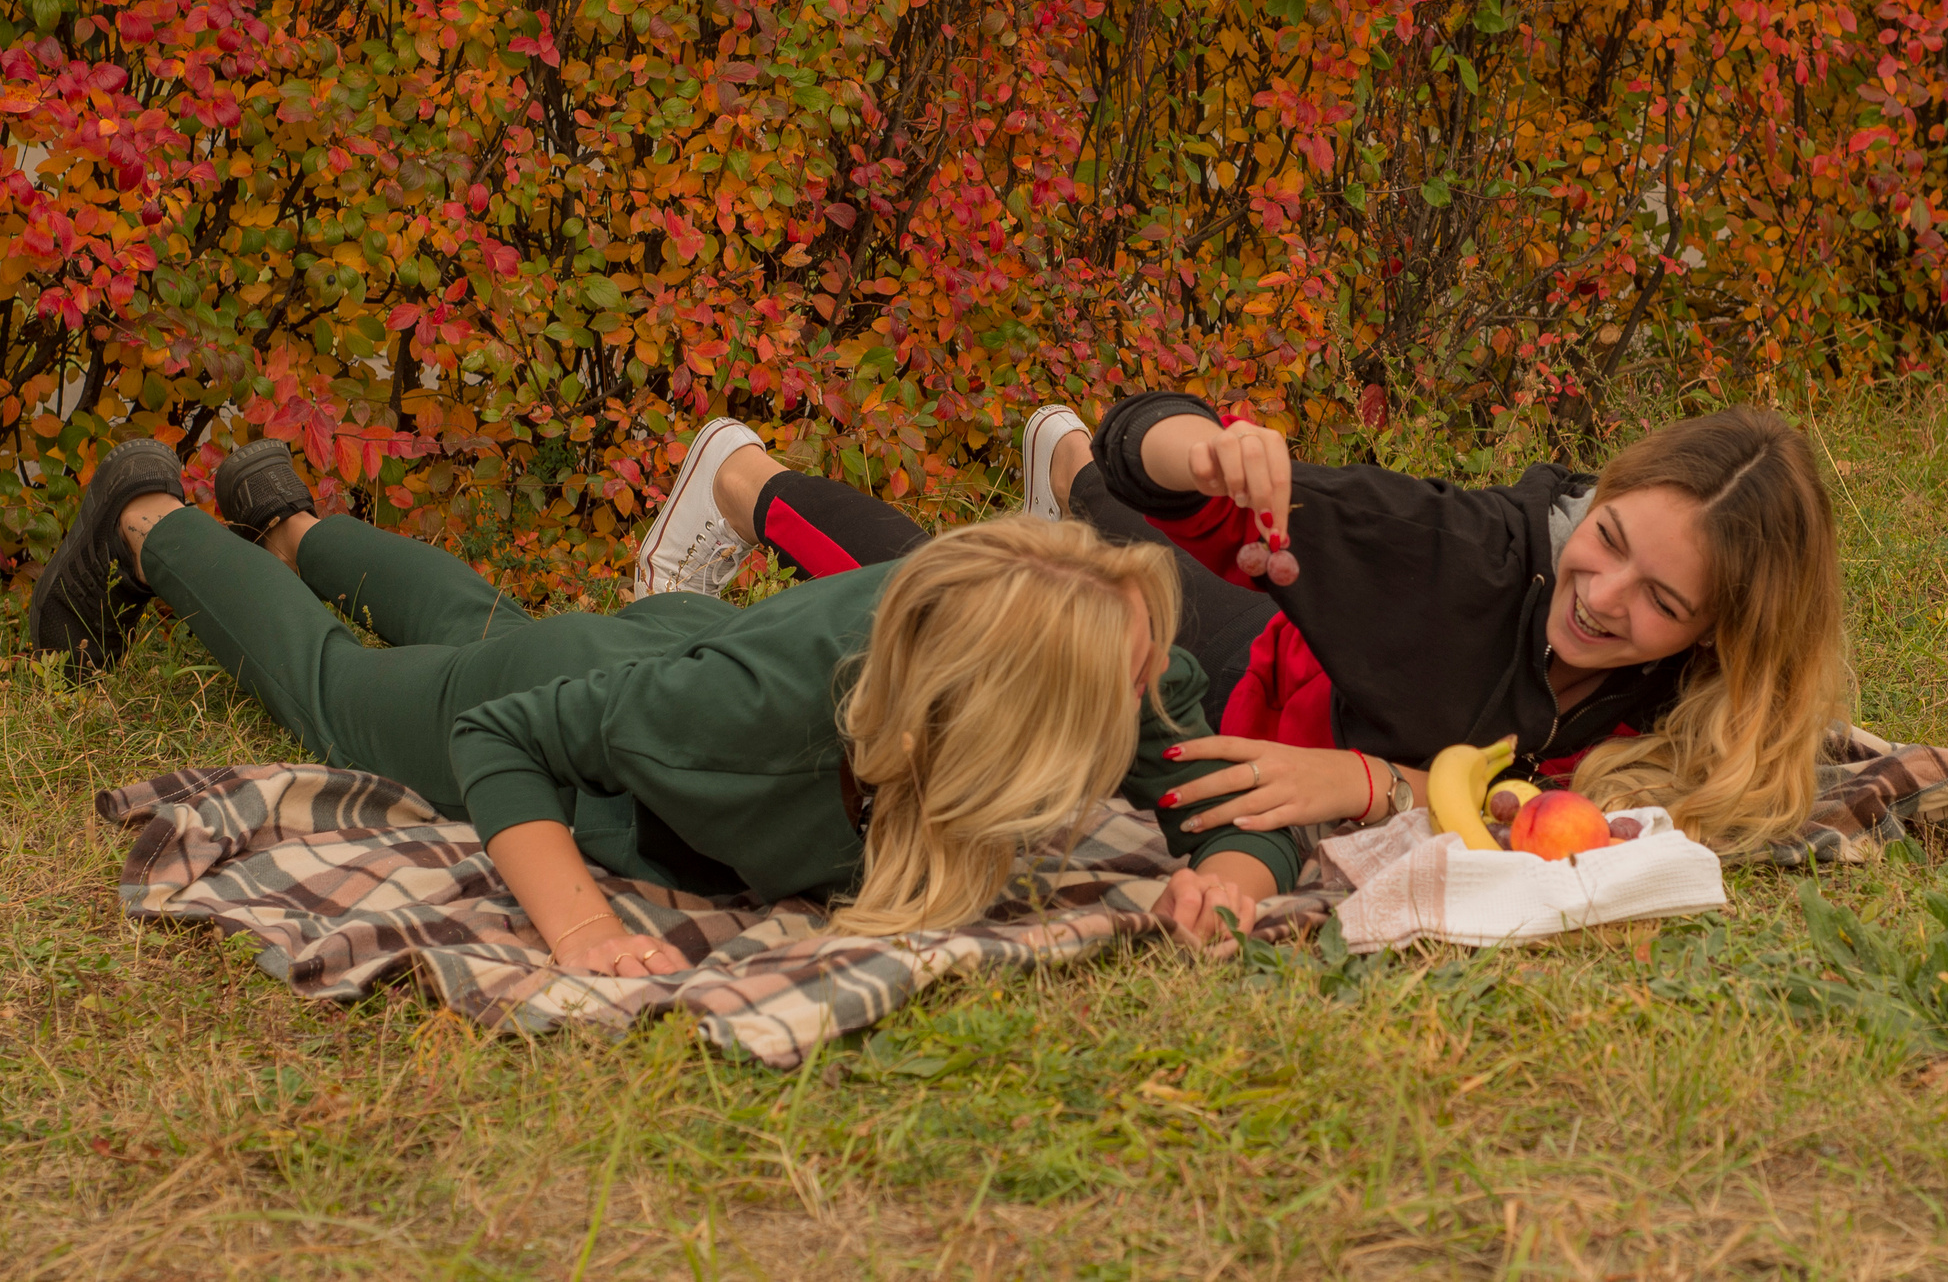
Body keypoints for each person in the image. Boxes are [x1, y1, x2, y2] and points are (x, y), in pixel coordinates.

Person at [22, 434, 1295, 971]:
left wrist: (1228, 880)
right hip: (574, 697)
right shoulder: (744, 717)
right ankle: (151, 518)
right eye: (1134, 681)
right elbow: (500, 738)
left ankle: (291, 518)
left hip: (670, 653)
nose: (1156, 693)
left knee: (483, 618)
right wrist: (577, 929)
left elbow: (1227, 794)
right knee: (347, 691)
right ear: (1015, 714)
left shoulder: (1101, 660)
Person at [639, 395, 1850, 923]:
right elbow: (1167, 452)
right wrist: (1192, 450)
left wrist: (1375, 787)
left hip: (1305, 738)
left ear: (1721, 631)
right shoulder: (1448, 553)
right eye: (1608, 540)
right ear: (1603, 491)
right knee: (977, 607)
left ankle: (1060, 485)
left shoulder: (1716, 700)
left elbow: (1604, 808)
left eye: (1660, 600)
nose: (1602, 595)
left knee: (1090, 546)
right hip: (1249, 681)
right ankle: (740, 477)